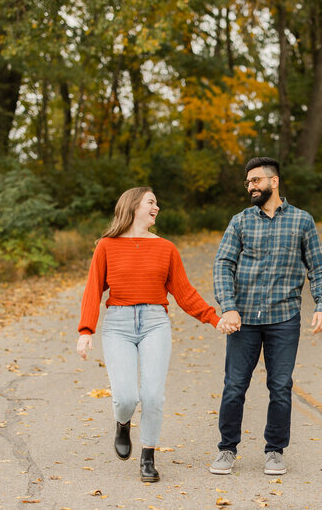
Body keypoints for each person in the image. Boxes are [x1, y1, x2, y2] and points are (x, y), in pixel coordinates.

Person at [76, 187, 232, 483]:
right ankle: (123, 423)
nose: (156, 207)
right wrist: (86, 331)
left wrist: (214, 318)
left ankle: (148, 457)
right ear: (134, 206)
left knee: (152, 396)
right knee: (125, 397)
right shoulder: (107, 246)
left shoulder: (166, 248)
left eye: (157, 203)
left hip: (154, 323)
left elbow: (184, 293)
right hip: (118, 325)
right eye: (151, 202)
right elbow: (93, 290)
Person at [209, 157, 322, 476]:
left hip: (284, 317)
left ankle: (275, 451)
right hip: (244, 318)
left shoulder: (302, 221)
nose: (250, 187)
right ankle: (226, 450)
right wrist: (229, 306)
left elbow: (318, 266)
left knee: (280, 385)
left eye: (256, 181)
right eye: (248, 183)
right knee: (234, 385)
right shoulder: (240, 221)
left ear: (273, 182)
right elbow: (223, 263)